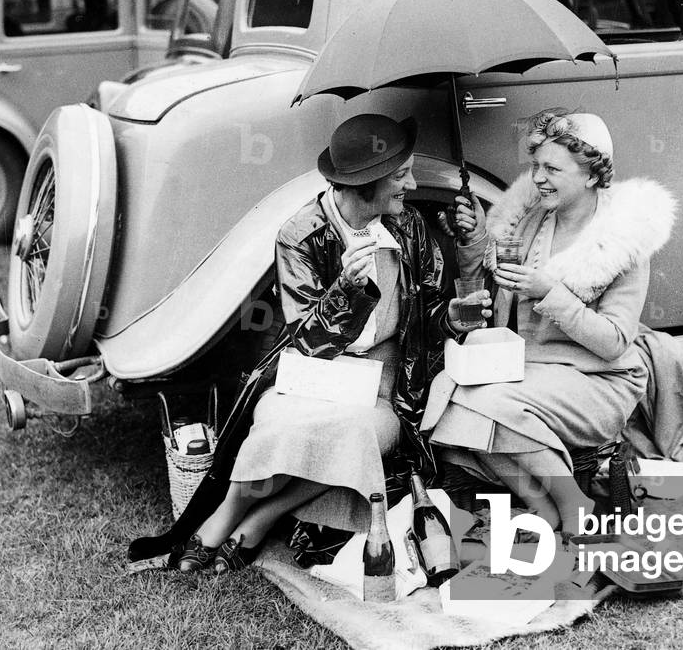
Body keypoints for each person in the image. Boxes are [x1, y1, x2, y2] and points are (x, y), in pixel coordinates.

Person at [129, 113, 489, 573]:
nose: (412, 184)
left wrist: (451, 317)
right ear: (366, 184)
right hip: (315, 376)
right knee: (278, 427)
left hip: (387, 384)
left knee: (355, 434)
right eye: (401, 176)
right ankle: (226, 515)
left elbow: (432, 312)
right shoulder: (300, 235)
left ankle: (263, 516)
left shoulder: (410, 227)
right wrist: (348, 291)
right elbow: (311, 343)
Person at [421, 108, 677, 537]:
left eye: (552, 168)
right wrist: (474, 242)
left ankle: (569, 502)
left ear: (591, 176)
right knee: (445, 399)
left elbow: (615, 341)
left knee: (483, 404)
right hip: (527, 372)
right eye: (536, 166)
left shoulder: (622, 238)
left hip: (599, 378)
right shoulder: (531, 220)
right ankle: (549, 505)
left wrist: (550, 292)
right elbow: (486, 296)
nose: (538, 178)